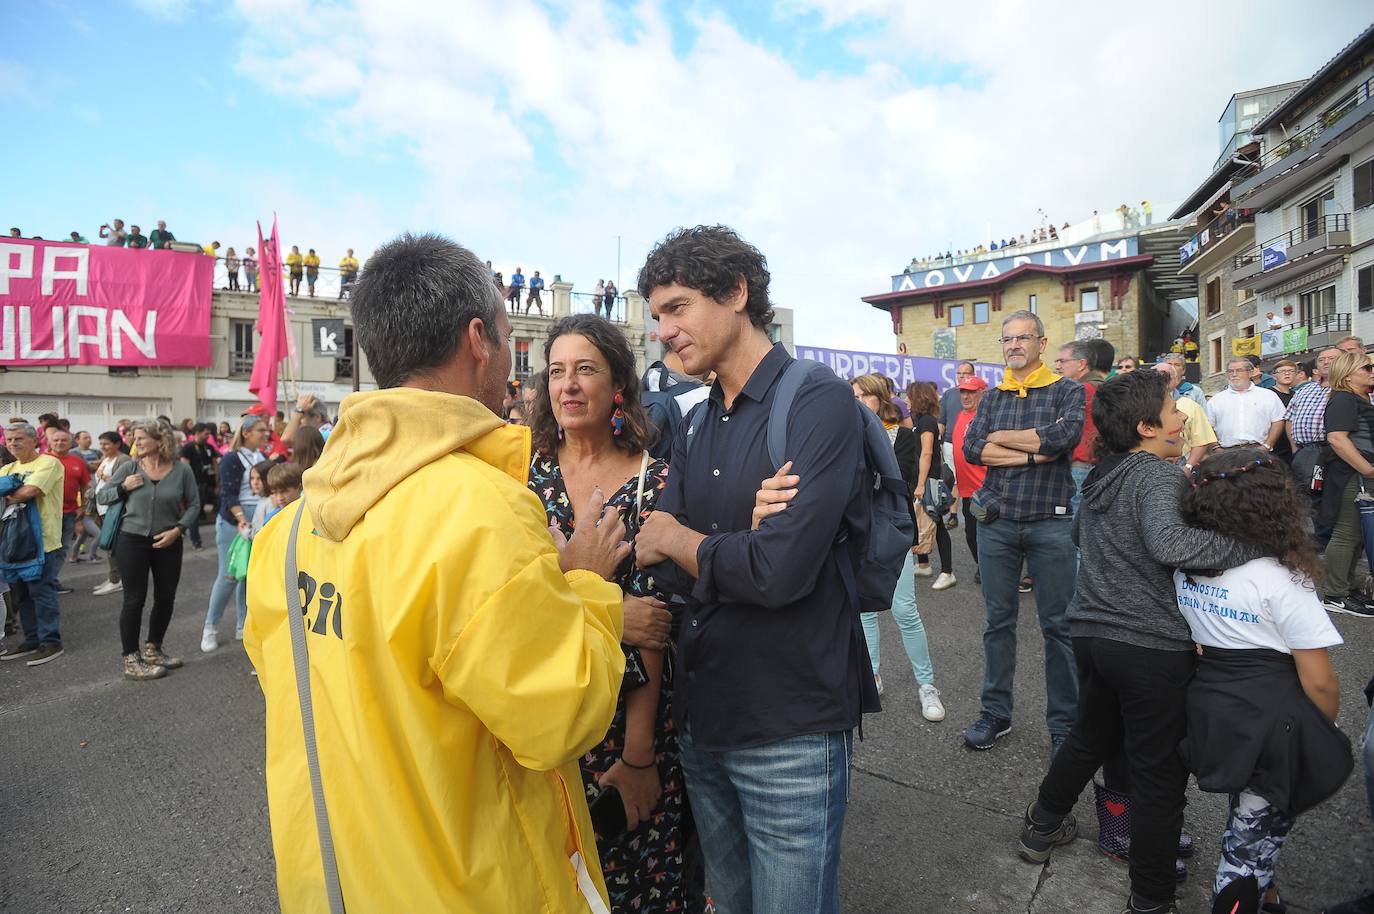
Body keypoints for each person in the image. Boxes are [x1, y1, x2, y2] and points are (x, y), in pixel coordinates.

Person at [244, 232, 635, 911]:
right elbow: (562, 714)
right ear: (478, 339)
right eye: (512, 339)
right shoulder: (479, 513)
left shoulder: (289, 527)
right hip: (467, 886)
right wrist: (588, 584)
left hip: (334, 879)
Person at [632, 225, 875, 914]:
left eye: (677, 308)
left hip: (790, 725)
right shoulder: (700, 417)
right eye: (656, 316)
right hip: (706, 719)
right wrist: (737, 536)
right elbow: (660, 554)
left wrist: (695, 540)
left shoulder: (817, 398)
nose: (663, 331)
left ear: (736, 292)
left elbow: (779, 571)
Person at [1018, 370, 1257, 914]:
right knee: (1158, 775)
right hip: (1149, 645)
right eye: (1176, 410)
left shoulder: (1106, 472)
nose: (1183, 419)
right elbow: (1170, 542)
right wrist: (1250, 542)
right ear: (1147, 427)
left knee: (1090, 738)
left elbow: (1081, 535)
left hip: (1093, 634)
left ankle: (1040, 827)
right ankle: (1151, 899)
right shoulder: (1156, 475)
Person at [525, 313, 686, 913]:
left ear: (618, 382)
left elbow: (657, 623)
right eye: (556, 371)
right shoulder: (519, 478)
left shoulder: (657, 480)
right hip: (539, 716)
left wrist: (638, 754)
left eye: (585, 369)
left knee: (633, 886)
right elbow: (507, 599)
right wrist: (603, 606)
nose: (567, 385)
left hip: (628, 727)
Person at [1175, 448, 1346, 914]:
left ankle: (1267, 897)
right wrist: (1320, 732)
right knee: (1245, 850)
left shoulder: (1189, 564)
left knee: (1249, 815)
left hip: (1213, 706)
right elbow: (1321, 683)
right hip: (1274, 722)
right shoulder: (1280, 578)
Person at [961, 310, 1084, 752]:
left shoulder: (1067, 390)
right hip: (996, 520)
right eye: (1007, 339)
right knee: (998, 622)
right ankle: (996, 713)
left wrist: (1005, 439)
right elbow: (973, 448)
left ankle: (1065, 724)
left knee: (1059, 627)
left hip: (1050, 521)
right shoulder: (993, 396)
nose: (1014, 345)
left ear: (1042, 343)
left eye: (1023, 338)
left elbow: (1063, 438)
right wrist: (1033, 453)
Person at [851, 374, 945, 721]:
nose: (857, 401)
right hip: (857, 532)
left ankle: (927, 684)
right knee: (865, 611)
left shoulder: (903, 437)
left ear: (880, 398)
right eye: (853, 395)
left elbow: (898, 486)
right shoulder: (846, 436)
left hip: (890, 532)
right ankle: (872, 675)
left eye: (863, 395)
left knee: (904, 609)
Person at [99, 420, 198, 681]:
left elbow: (194, 505)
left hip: (168, 539)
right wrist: (122, 487)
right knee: (134, 599)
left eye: (142, 438)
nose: (137, 442)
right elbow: (100, 496)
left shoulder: (181, 471)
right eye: (135, 438)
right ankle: (131, 658)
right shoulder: (129, 468)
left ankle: (154, 649)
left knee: (165, 597)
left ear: (160, 440)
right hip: (131, 540)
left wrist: (178, 530)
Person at [201, 415, 270, 652]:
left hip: (258, 520)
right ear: (247, 432)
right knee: (229, 576)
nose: (265, 433)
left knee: (250, 577)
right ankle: (210, 628)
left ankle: (243, 624)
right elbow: (228, 494)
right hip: (234, 522)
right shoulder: (232, 458)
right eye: (261, 429)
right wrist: (242, 520)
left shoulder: (261, 457)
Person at [0, 422, 66, 666]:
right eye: (9, 440)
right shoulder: (8, 467)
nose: (13, 444)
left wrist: (10, 492)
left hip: (43, 542)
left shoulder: (48, 463)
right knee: (22, 594)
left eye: (18, 439)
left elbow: (30, 491)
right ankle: (31, 639)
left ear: (33, 440)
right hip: (12, 543)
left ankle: (51, 641)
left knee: (41, 591)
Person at [1316, 351, 1374, 617]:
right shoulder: (1343, 398)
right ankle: (1335, 594)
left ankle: (1346, 588)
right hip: (1353, 475)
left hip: (1359, 474)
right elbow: (1337, 438)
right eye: (1367, 367)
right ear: (1349, 373)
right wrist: (1368, 470)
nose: (1372, 370)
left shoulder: (1357, 397)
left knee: (1358, 535)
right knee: (1347, 533)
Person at [908, 381, 956, 589]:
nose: (907, 400)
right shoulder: (919, 420)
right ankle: (924, 564)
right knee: (921, 521)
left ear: (918, 398)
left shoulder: (927, 422)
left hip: (928, 480)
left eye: (910, 396)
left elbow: (927, 453)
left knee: (937, 524)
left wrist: (920, 484)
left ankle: (948, 572)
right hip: (921, 478)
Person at [1054, 340, 1104, 514]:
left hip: (1080, 463)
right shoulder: (1098, 385)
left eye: (1062, 361)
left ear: (1082, 363)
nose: (1058, 366)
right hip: (1092, 461)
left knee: (1076, 518)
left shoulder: (1083, 389)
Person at [46, 429, 91, 596]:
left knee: (63, 548)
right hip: (48, 514)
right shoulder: (43, 460)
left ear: (71, 442)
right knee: (47, 550)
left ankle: (51, 580)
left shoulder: (78, 461)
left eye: (63, 440)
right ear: (50, 442)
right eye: (55, 440)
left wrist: (83, 507)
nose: (59, 443)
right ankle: (45, 582)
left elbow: (85, 486)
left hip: (70, 512)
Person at [951, 375, 988, 574]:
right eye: (963, 391)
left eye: (971, 391)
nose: (965, 396)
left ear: (983, 392)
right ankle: (982, 567)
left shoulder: (986, 416)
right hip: (966, 488)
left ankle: (989, 569)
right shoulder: (960, 415)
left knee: (986, 533)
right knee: (971, 533)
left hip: (984, 486)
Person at [1207, 358, 1285, 449]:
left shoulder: (1268, 396)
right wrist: (1216, 448)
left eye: (1239, 370)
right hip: (1227, 452)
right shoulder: (1216, 400)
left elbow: (1278, 421)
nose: (1234, 374)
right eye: (1230, 371)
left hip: (1258, 450)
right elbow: (1208, 426)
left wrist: (1267, 445)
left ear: (1250, 373)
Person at [179, 423, 218, 550]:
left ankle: (181, 528)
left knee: (220, 504)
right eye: (205, 433)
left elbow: (215, 464)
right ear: (197, 433)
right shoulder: (188, 448)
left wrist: (218, 483)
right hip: (195, 485)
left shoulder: (209, 447)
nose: (208, 436)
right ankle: (196, 542)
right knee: (194, 513)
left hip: (209, 484)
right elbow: (184, 468)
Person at [940, 361, 977, 492]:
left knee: (973, 477)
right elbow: (941, 421)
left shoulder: (981, 394)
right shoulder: (949, 394)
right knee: (954, 480)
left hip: (973, 443)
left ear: (973, 375)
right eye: (959, 373)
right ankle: (954, 513)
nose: (961, 376)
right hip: (950, 443)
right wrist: (939, 441)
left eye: (965, 373)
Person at [1269, 360, 1299, 463]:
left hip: (1293, 445)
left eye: (1291, 370)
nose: (1287, 373)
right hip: (1274, 446)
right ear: (1274, 376)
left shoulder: (1298, 395)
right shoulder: (1267, 395)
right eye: (1282, 371)